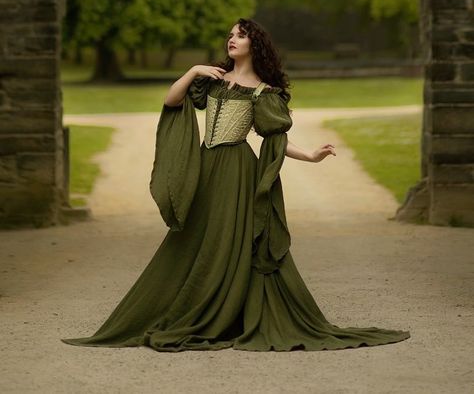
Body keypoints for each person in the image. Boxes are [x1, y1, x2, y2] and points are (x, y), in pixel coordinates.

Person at [61, 17, 411, 352]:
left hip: (237, 170)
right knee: (191, 238)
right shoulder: (212, 79)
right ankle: (185, 302)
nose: (232, 39)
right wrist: (193, 70)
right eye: (230, 34)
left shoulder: (263, 92)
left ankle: (228, 306)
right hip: (206, 166)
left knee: (233, 240)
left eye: (240, 35)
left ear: (253, 44)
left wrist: (311, 155)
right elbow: (171, 101)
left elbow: (274, 139)